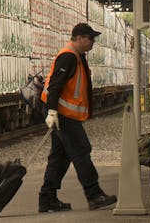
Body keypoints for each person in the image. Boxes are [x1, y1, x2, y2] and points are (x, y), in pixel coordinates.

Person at [38, 22, 117, 212]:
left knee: (60, 157)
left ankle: (47, 198)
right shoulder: (68, 57)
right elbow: (55, 86)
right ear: (80, 38)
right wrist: (51, 111)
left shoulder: (77, 56)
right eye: (91, 39)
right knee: (81, 150)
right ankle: (94, 194)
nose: (93, 43)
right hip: (62, 114)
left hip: (63, 114)